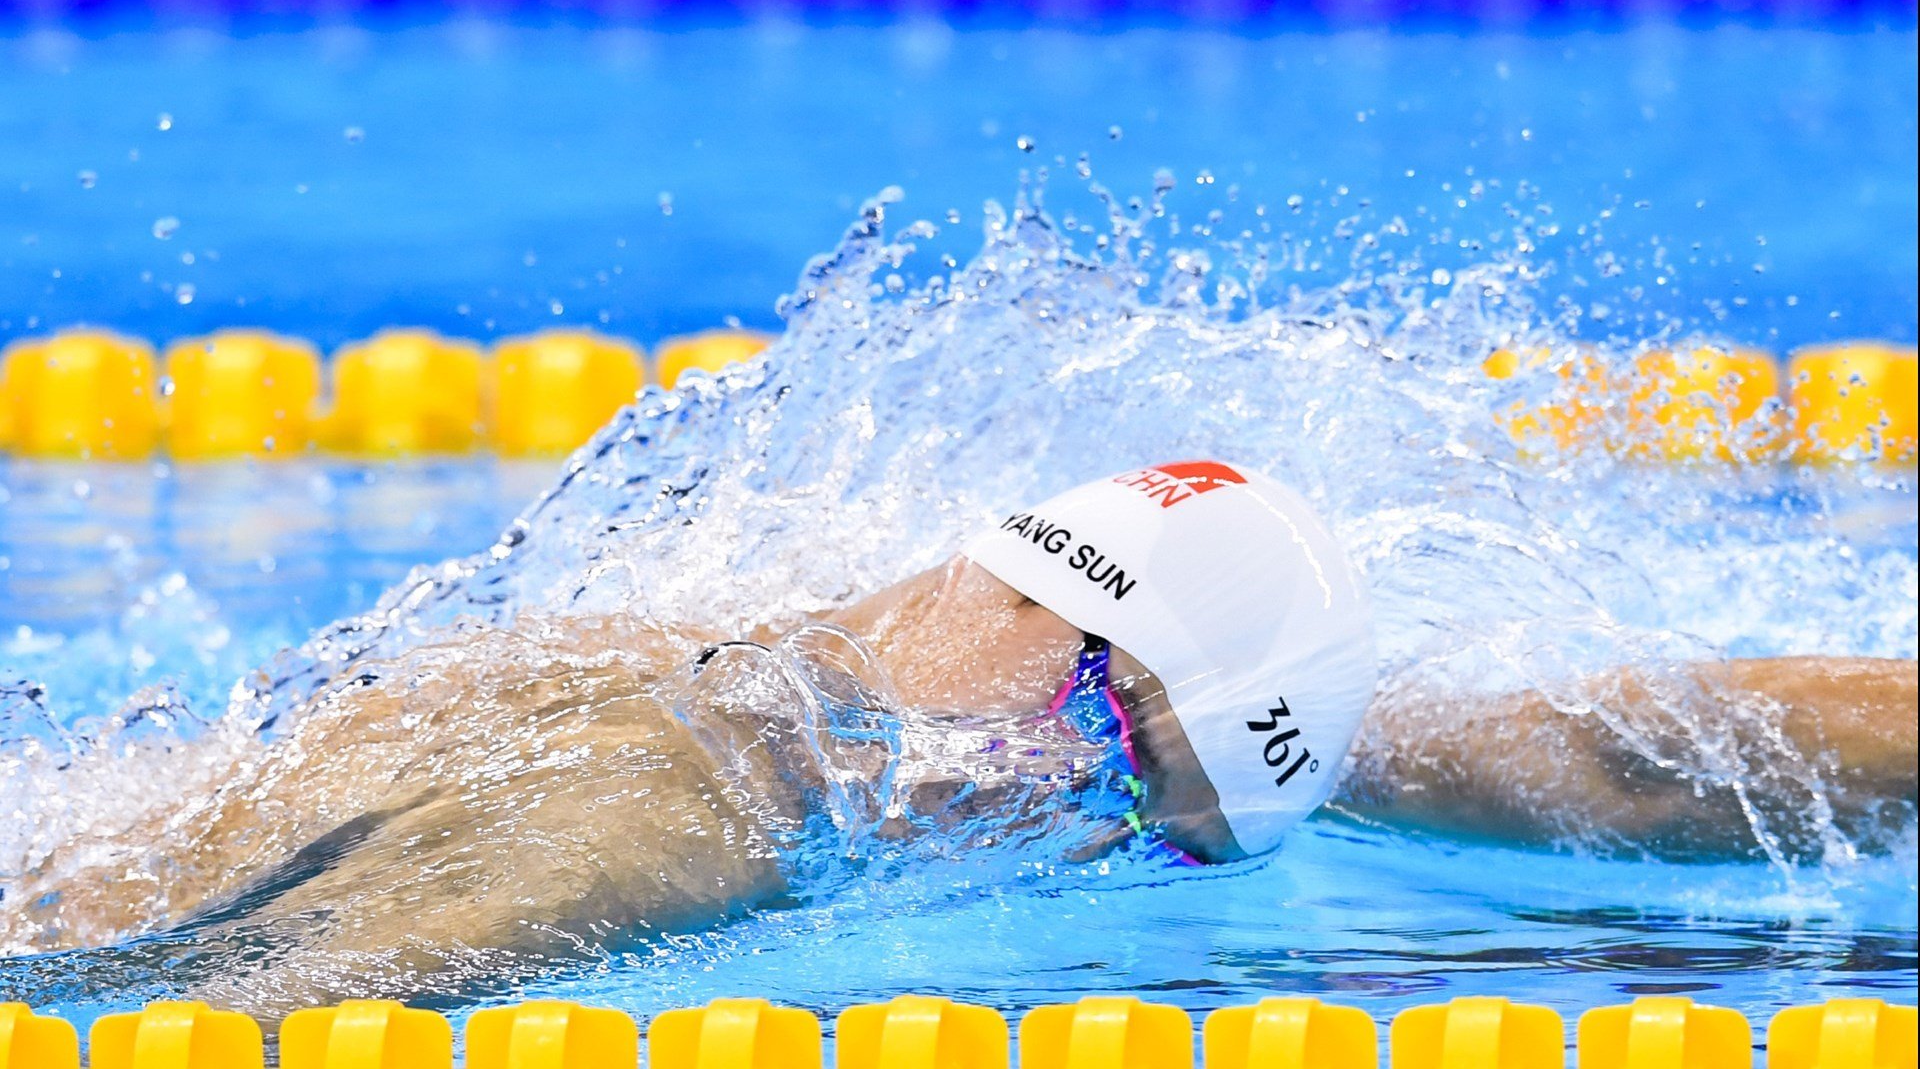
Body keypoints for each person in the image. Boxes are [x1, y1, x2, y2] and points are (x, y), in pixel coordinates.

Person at [2, 461, 1912, 1008]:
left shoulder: (808, 646)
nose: (1063, 816)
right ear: (1049, 625)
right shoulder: (668, 821)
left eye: (1137, 824)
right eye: (1102, 742)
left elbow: (1611, 756)